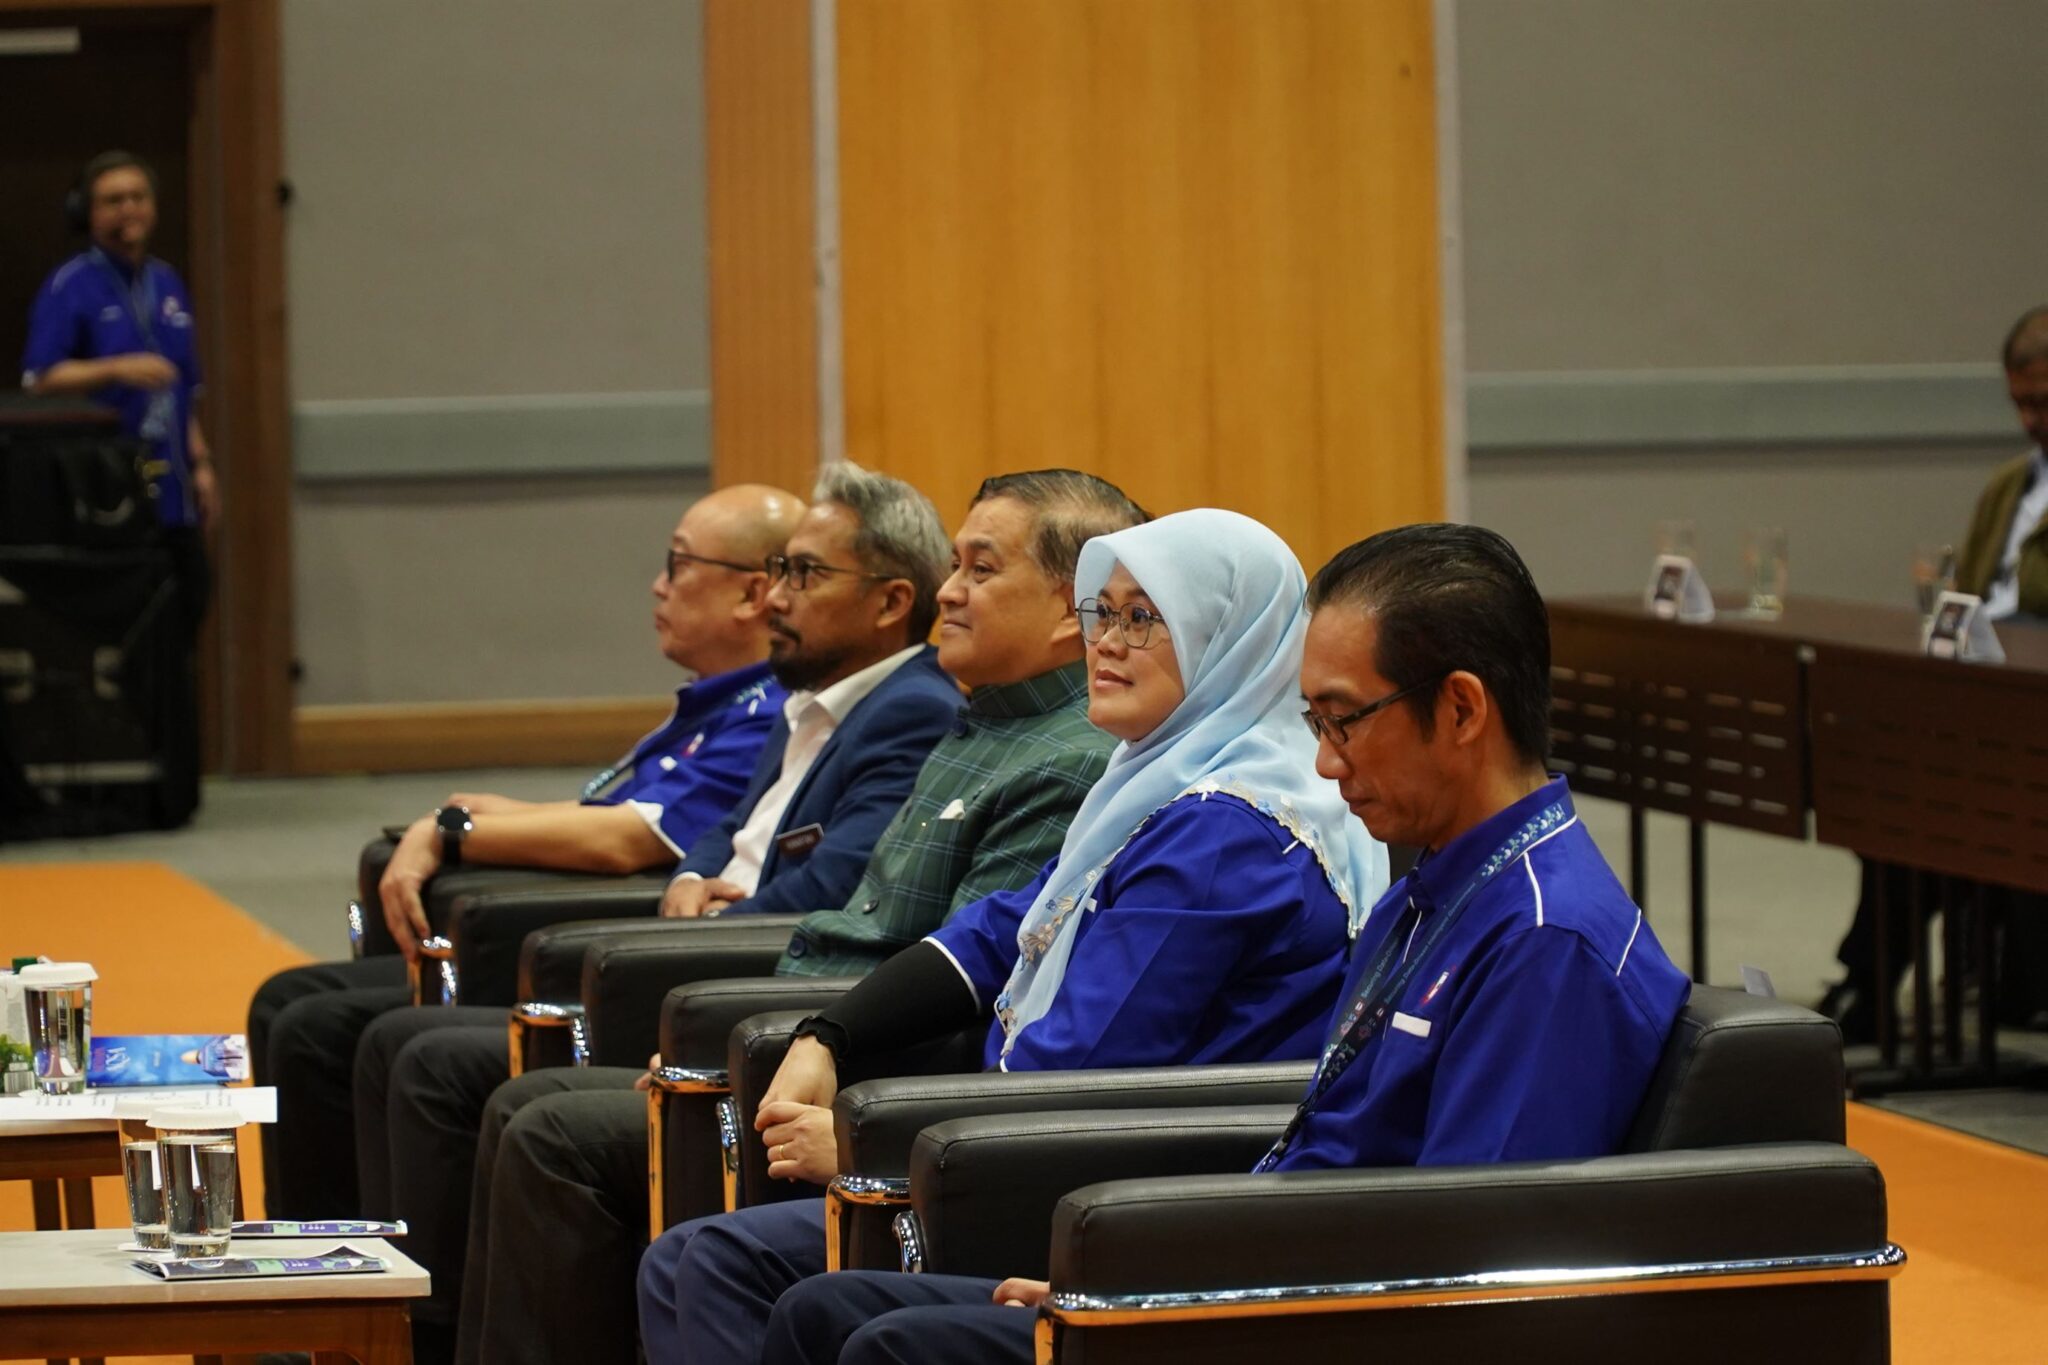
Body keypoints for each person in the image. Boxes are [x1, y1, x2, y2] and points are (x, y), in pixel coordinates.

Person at [756, 522, 1691, 1365]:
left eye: (1343, 719)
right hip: (1249, 1271)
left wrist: (1172, 1287)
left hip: (1304, 1322)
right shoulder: (1440, 884)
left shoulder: (1543, 940)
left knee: (889, 1346)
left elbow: (1458, 1267)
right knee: (824, 1311)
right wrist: (1150, 1267)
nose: (1322, 760)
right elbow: (1324, 1157)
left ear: (1460, 710)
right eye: (1313, 721)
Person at [638, 508, 1391, 1365]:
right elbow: (1006, 927)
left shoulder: (1225, 835)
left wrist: (866, 1143)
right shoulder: (1164, 783)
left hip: (1097, 1181)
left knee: (720, 1262)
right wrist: (830, 1034)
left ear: (1230, 640)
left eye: (1144, 617)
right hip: (1039, 1148)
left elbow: (1082, 1064)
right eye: (1102, 612)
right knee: (693, 1259)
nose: (1106, 642)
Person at [351, 460, 979, 1364]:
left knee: (503, 1101)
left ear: (889, 602)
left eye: (804, 574)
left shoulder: (910, 709)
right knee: (419, 1053)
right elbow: (722, 835)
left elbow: (831, 897)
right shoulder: (814, 698)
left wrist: (713, 917)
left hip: (748, 986)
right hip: (713, 957)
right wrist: (694, 878)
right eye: (779, 570)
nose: (777, 596)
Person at [248, 481, 804, 1219]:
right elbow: (604, 809)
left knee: (321, 1030)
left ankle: (352, 1271)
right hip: (587, 933)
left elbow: (625, 837)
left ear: (752, 593)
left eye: (678, 563)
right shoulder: (722, 700)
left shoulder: (765, 712)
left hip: (624, 952)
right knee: (287, 1000)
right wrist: (467, 815)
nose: (658, 584)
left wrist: (452, 832)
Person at [1818, 304, 2048, 1041]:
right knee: (1897, 792)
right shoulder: (2011, 485)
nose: (2030, 420)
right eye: (2019, 403)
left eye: (2043, 402)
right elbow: (1972, 595)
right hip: (1987, 708)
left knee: (1937, 798)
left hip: (2034, 718)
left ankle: (1876, 982)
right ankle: (1869, 982)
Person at [21, 151, 213, 820]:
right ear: (88, 212)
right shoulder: (71, 285)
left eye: (137, 196)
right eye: (112, 199)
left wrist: (203, 463)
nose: (128, 209)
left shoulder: (167, 283)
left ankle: (168, 761)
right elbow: (40, 378)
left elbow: (187, 389)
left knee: (190, 603)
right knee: (130, 629)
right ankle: (127, 764)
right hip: (110, 490)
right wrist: (117, 369)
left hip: (174, 482)